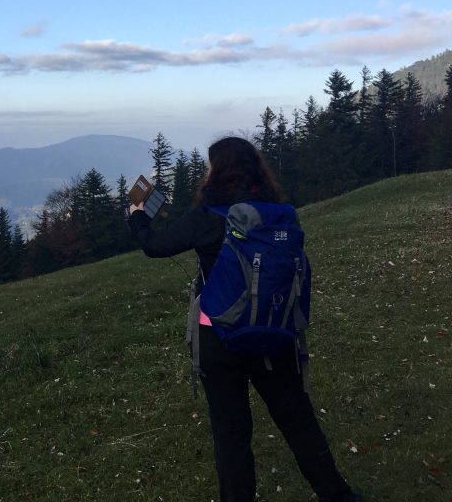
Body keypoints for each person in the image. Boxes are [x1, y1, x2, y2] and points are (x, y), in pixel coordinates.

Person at [128, 136, 361, 502]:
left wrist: (137, 215)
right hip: (274, 331)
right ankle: (338, 495)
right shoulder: (279, 212)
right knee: (298, 420)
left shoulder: (207, 217)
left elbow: (155, 246)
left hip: (219, 338)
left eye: (210, 166)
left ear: (218, 172)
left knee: (231, 435)